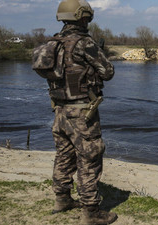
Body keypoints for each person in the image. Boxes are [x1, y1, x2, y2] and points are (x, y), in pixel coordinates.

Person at [35, 0, 117, 224]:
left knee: (64, 155)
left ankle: (62, 199)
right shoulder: (84, 43)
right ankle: (91, 212)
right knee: (90, 157)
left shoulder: (54, 42)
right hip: (82, 113)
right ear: (83, 17)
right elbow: (108, 72)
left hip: (59, 111)